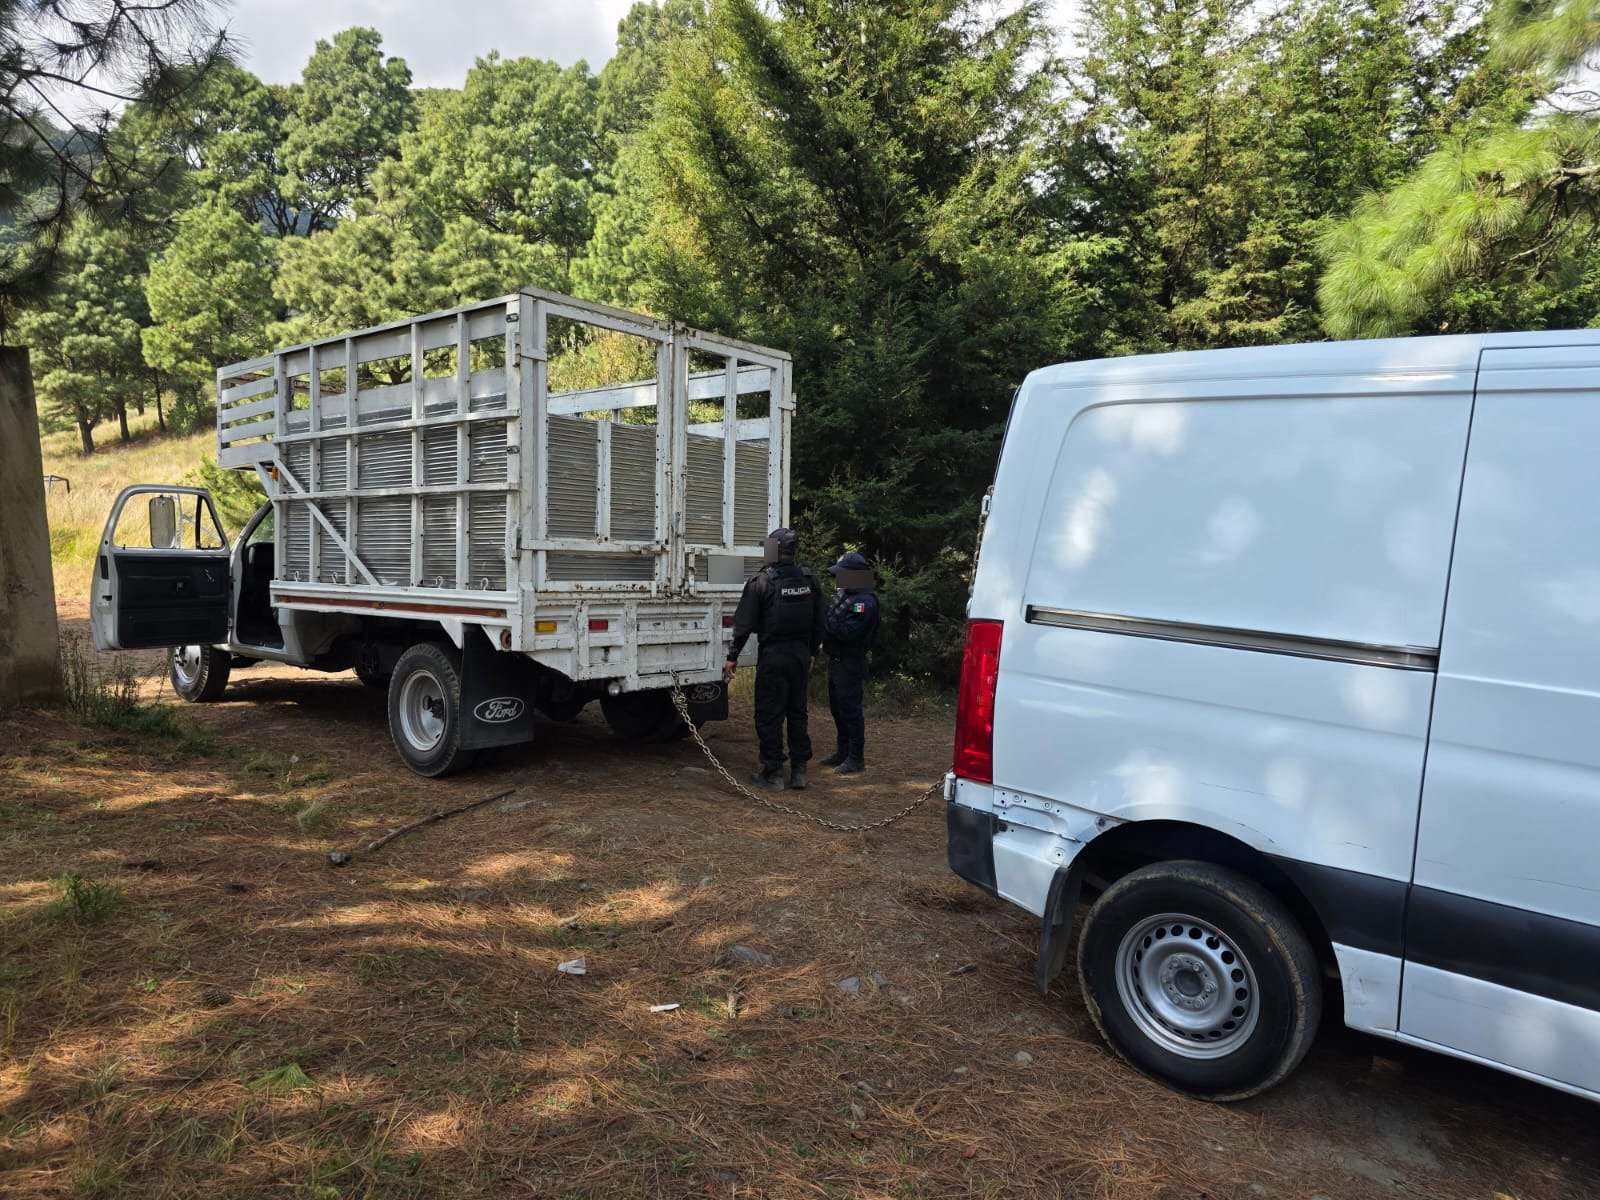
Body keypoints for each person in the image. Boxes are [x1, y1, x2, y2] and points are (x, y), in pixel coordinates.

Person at [724, 527, 825, 790]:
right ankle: (800, 771)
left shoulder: (762, 582)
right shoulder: (809, 580)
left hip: (775, 656)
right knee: (797, 711)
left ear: (775, 551)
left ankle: (774, 773)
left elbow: (743, 624)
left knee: (769, 713)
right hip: (801, 655)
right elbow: (819, 621)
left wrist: (732, 656)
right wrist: (812, 651)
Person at [820, 551, 879, 774]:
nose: (838, 580)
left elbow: (847, 632)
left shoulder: (864, 602)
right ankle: (842, 752)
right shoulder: (847, 595)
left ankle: (856, 758)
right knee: (837, 709)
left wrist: (825, 623)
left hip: (850, 662)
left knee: (851, 711)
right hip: (836, 660)